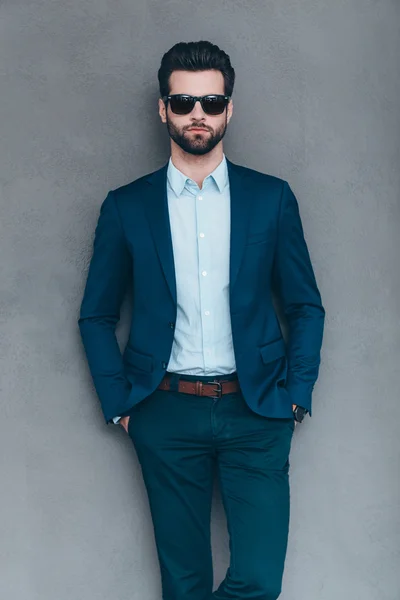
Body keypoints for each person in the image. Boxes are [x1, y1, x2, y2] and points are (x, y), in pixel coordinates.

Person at [78, 40, 325, 600]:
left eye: (211, 103)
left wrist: (297, 393)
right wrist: (120, 404)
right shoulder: (126, 206)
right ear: (163, 109)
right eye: (185, 102)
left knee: (259, 579)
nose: (198, 114)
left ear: (229, 110)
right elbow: (95, 314)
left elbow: (305, 304)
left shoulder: (271, 199)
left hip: (257, 409)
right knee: (183, 583)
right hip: (163, 411)